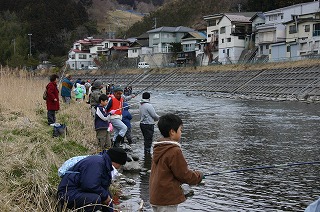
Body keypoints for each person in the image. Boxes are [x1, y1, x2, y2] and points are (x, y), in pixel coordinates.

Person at [149, 113, 203, 212]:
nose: (181, 133)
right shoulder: (174, 150)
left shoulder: (158, 148)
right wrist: (198, 176)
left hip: (156, 196)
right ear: (172, 132)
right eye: (180, 130)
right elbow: (183, 174)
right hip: (167, 198)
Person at [57, 147, 127, 212]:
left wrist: (108, 203)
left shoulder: (104, 164)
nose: (119, 168)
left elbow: (104, 190)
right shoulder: (96, 163)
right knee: (95, 199)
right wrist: (105, 197)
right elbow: (89, 185)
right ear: (115, 161)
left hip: (78, 191)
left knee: (106, 195)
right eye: (120, 165)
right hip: (67, 194)